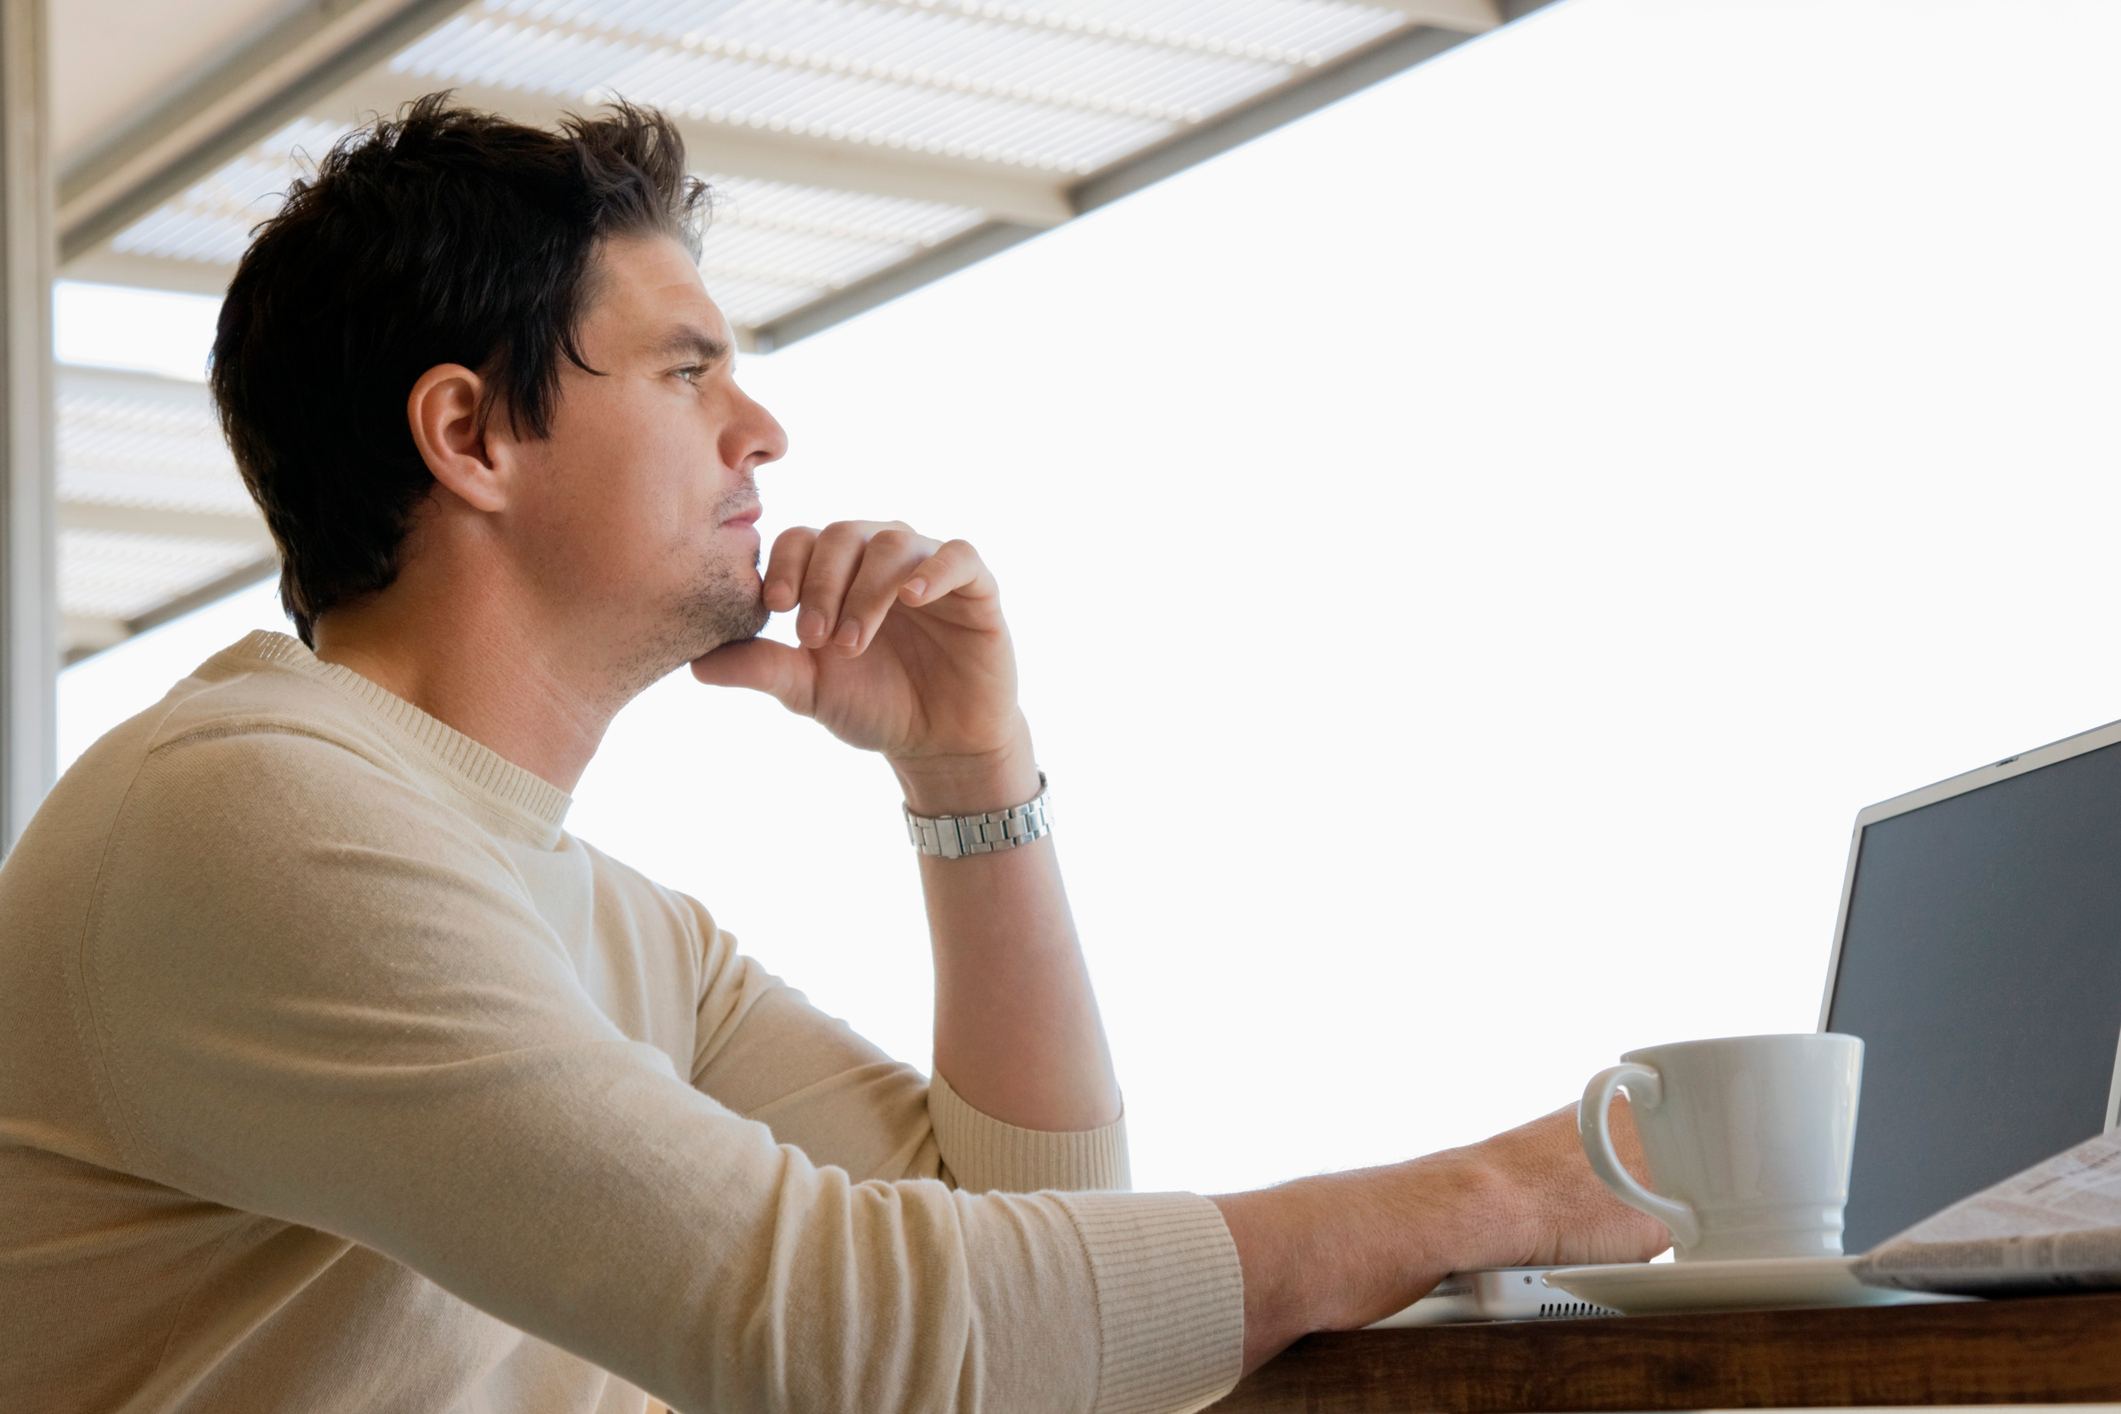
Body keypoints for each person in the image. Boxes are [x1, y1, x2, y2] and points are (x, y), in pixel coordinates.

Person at [0, 93, 1665, 1413]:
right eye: (686, 366)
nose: (763, 431)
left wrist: (969, 779)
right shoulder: (248, 813)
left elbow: (1042, 1259)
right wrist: (1489, 1193)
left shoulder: (617, 925)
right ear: (472, 433)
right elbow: (859, 1349)